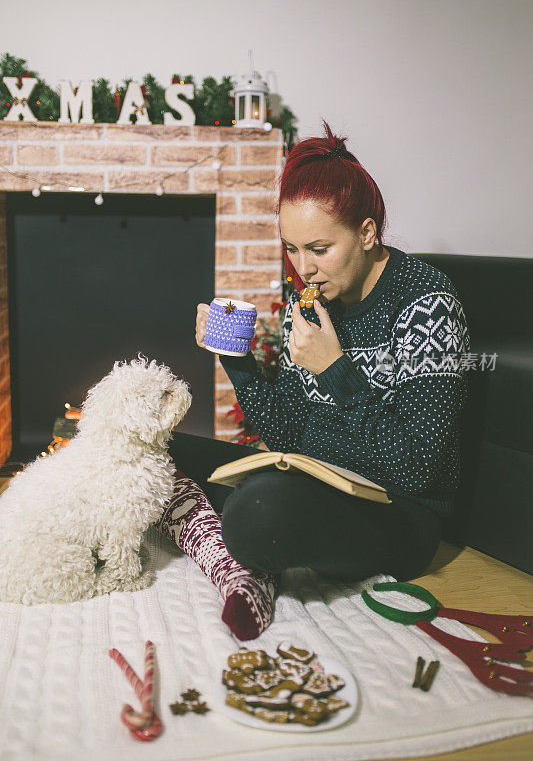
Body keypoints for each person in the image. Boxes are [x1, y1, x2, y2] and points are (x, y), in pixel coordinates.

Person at [157, 119, 471, 640]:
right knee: (151, 453)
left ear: (367, 234)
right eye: (293, 250)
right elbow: (284, 433)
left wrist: (334, 369)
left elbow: (419, 467)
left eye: (319, 249)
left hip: (398, 514)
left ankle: (235, 551)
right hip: (312, 476)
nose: (304, 269)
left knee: (257, 514)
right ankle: (241, 563)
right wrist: (233, 356)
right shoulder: (312, 301)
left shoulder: (427, 302)